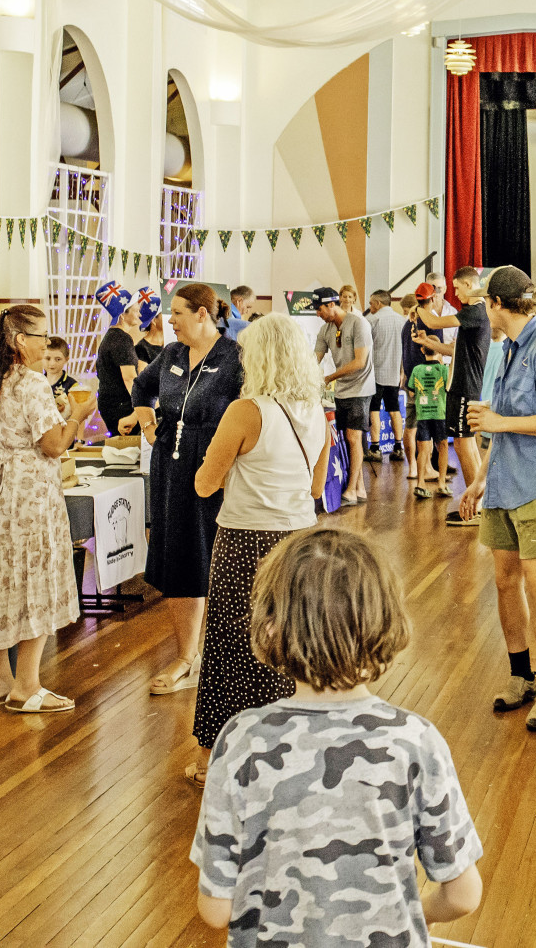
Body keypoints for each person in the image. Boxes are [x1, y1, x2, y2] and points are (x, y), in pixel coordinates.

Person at [192, 527, 483, 945]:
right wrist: (411, 917)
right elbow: (463, 894)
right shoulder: (416, 741)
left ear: (271, 625)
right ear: (385, 621)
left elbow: (215, 909)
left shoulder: (242, 741)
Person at [185, 313, 328, 787]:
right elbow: (315, 487)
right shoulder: (316, 411)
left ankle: (215, 757)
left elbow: (205, 484)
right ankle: (287, 751)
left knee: (232, 646)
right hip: (300, 541)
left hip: (248, 539)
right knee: (291, 643)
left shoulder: (247, 410)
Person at [457, 265, 536, 733]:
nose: (480, 310)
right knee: (505, 582)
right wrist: (480, 477)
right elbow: (505, 419)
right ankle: (520, 677)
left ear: (495, 304)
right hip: (505, 482)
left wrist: (497, 424)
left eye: (481, 302)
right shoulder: (506, 349)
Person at [0, 304, 94, 714]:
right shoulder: (33, 383)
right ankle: (27, 685)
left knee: (2, 574)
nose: (47, 343)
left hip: (4, 484)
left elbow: (21, 428)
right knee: (35, 575)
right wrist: (76, 416)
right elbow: (53, 445)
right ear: (21, 340)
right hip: (33, 490)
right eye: (42, 336)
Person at [132, 281, 245, 698]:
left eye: (177, 313)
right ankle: (186, 657)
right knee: (180, 557)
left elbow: (252, 409)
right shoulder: (172, 354)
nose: (170, 321)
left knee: (217, 559)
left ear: (202, 313)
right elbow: (142, 389)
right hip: (169, 465)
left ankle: (226, 655)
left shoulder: (235, 357)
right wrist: (147, 425)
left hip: (215, 466)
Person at [418, 267, 491, 529]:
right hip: (463, 383)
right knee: (466, 443)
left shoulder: (474, 310)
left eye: (458, 287)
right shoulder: (473, 315)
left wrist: (420, 304)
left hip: (465, 385)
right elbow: (453, 349)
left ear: (471, 285)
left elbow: (435, 322)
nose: (455, 292)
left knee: (462, 443)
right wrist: (429, 342)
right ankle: (481, 504)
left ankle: (476, 507)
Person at [314, 284, 374, 506]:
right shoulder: (326, 330)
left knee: (353, 438)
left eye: (320, 309)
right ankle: (359, 487)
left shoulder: (359, 324)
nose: (317, 314)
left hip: (361, 389)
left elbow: (360, 362)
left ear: (331, 305)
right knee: (347, 439)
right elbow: (315, 359)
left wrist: (329, 377)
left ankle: (351, 489)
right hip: (341, 391)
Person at [94, 289, 150, 437]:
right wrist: (141, 407)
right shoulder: (122, 339)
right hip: (120, 405)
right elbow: (129, 378)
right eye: (136, 311)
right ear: (122, 316)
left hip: (110, 403)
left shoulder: (111, 336)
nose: (139, 314)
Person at [366, 287, 409, 461]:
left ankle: (375, 448)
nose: (370, 306)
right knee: (394, 409)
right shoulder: (402, 321)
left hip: (374, 374)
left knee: (374, 410)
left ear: (378, 303)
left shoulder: (371, 320)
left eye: (371, 303)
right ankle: (399, 447)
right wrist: (401, 372)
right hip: (393, 373)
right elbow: (405, 349)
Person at [408, 348, 451, 498]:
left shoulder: (417, 369)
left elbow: (411, 392)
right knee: (443, 447)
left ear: (422, 350)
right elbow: (448, 388)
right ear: (439, 351)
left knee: (423, 449)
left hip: (422, 415)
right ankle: (441, 484)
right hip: (440, 414)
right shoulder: (443, 370)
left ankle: (420, 484)